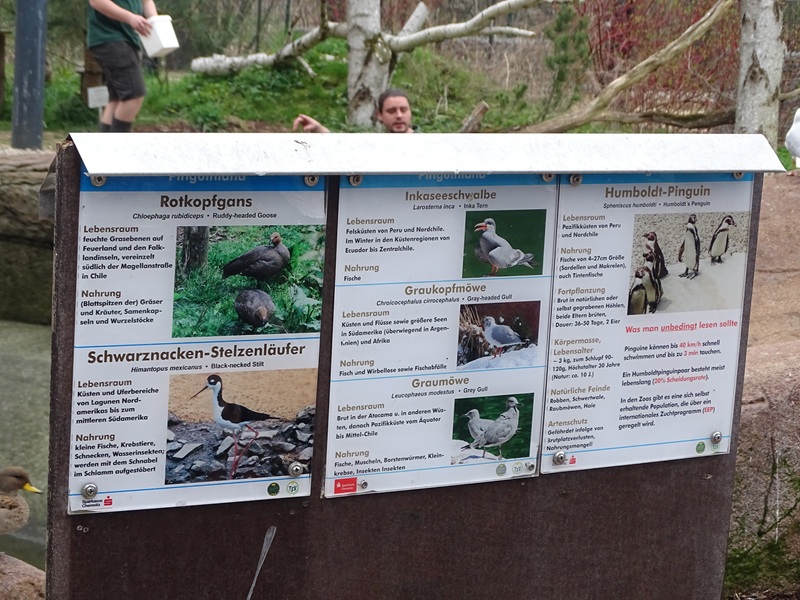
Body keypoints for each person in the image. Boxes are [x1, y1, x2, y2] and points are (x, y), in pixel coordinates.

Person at [87, 0, 158, 132]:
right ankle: (117, 148)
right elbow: (96, 1)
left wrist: (156, 24)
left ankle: (103, 149)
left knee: (117, 99)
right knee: (134, 95)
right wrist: (130, 18)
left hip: (130, 39)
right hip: (108, 37)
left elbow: (146, 2)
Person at [293, 89, 416, 134]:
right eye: (392, 111)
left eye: (403, 110)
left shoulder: (430, 145)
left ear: (410, 112)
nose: (399, 115)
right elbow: (345, 147)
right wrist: (318, 128)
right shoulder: (378, 145)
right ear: (379, 115)